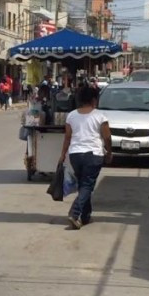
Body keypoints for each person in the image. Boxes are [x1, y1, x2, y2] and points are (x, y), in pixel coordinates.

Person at [58, 86, 112, 229]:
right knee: (87, 185)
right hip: (93, 154)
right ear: (94, 100)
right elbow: (107, 137)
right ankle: (75, 213)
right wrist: (109, 152)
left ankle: (86, 216)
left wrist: (63, 154)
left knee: (83, 184)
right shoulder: (100, 116)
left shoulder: (71, 115)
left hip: (75, 154)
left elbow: (67, 137)